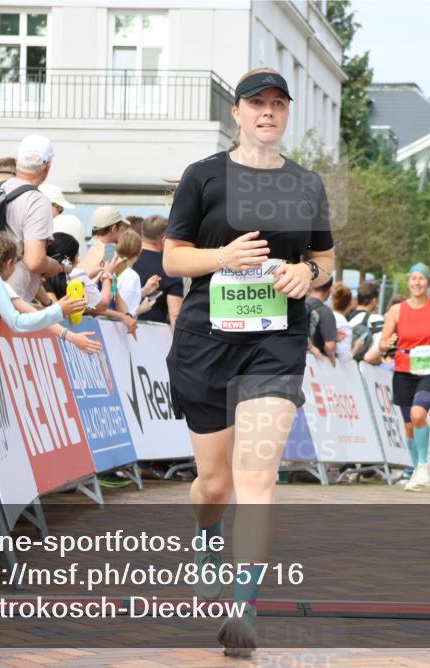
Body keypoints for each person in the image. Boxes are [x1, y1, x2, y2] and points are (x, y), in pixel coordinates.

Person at [162, 67, 334, 657]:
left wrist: (306, 274)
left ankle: (244, 608)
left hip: (276, 339)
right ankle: (206, 533)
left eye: (278, 104)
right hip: (206, 340)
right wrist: (222, 256)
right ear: (236, 113)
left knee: (257, 476)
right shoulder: (203, 177)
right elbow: (173, 260)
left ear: (287, 115)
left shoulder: (305, 183)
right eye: (256, 103)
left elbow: (325, 258)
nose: (267, 112)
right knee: (214, 484)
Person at [379, 262, 430, 491]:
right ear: (408, 282)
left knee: (418, 415)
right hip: (404, 370)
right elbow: (382, 342)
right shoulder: (396, 311)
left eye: (421, 279)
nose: (417, 283)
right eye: (413, 278)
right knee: (409, 427)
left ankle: (424, 466)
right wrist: (387, 343)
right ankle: (417, 471)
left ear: (428, 283)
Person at [0, 134, 64, 301]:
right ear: (48, 165)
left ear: (17, 161)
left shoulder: (0, 190)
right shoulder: (38, 201)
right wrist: (53, 266)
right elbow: (34, 261)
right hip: (13, 295)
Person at [134, 214, 185, 327]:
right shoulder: (170, 268)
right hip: (155, 335)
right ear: (164, 238)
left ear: (142, 232)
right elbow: (175, 315)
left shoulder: (126, 260)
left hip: (121, 330)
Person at [114, 228, 160, 318]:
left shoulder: (111, 268)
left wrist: (143, 292)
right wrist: (142, 308)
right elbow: (123, 315)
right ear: (140, 252)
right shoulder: (131, 276)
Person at [347, 281, 385, 361]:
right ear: (374, 301)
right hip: (365, 368)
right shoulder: (376, 319)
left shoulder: (345, 318)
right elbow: (378, 347)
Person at [306, 279, 338, 365]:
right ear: (330, 290)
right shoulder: (325, 312)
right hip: (316, 363)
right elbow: (329, 346)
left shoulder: (299, 305)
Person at [330, 282, 354, 361]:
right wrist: (357, 347)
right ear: (349, 304)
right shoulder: (344, 326)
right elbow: (344, 357)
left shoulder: (327, 316)